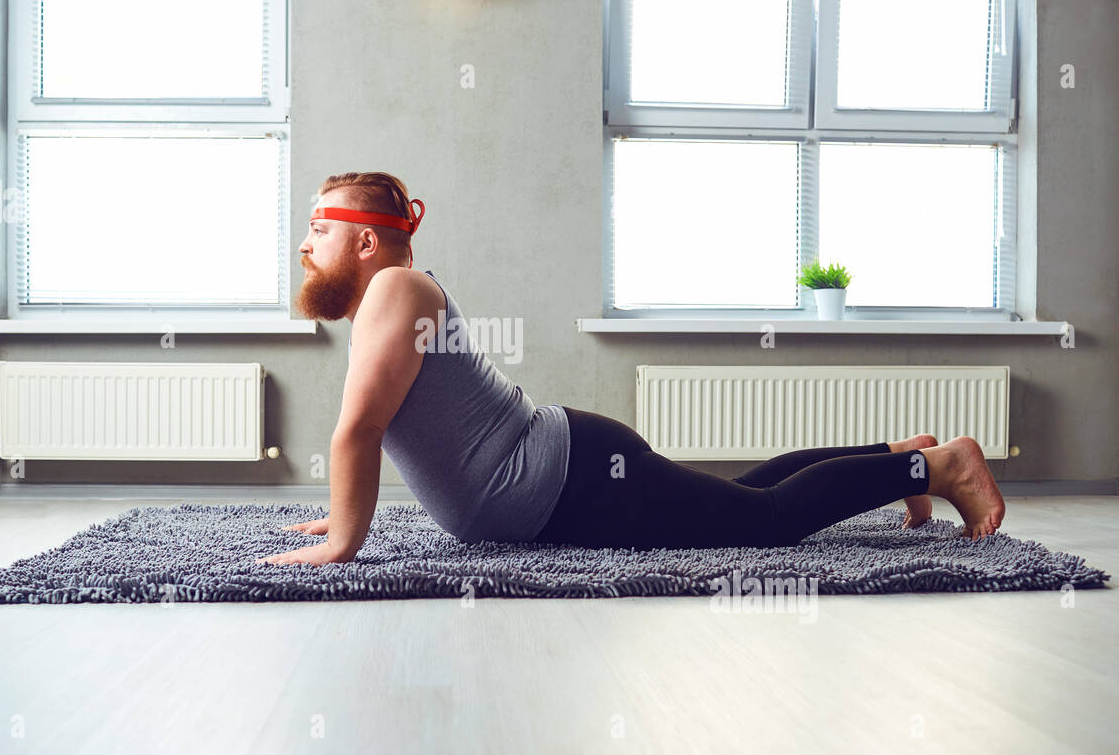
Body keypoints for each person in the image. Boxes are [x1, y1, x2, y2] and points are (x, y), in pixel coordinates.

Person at [257, 172, 1006, 566]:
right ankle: (898, 459)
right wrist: (347, 508)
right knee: (743, 496)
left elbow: (360, 428)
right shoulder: (387, 300)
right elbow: (407, 434)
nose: (306, 244)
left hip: (571, 476)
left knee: (766, 523)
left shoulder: (395, 286)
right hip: (573, 468)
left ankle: (939, 470)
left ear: (365, 243)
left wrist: (342, 543)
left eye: (320, 228)